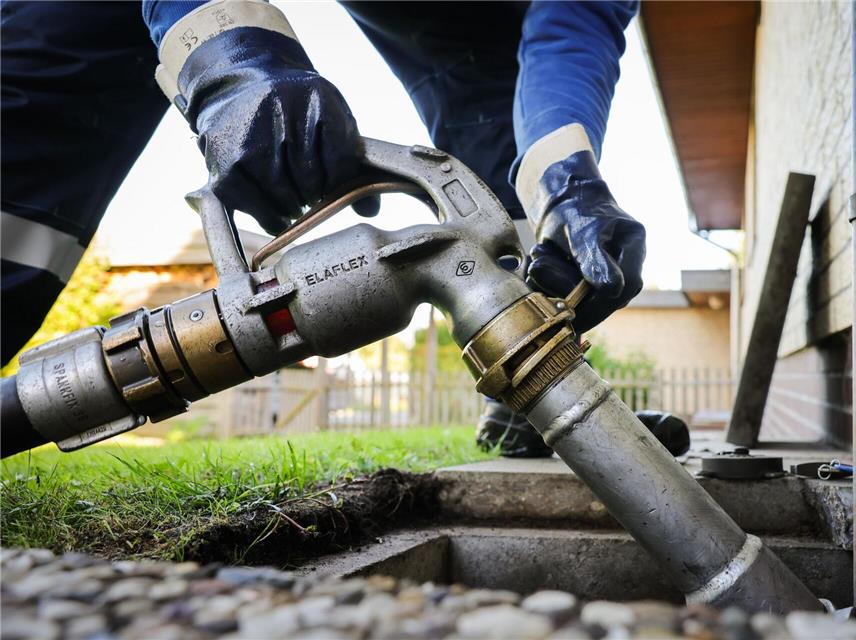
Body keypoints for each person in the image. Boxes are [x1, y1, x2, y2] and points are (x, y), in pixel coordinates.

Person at [1, 0, 688, 457]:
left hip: (459, 25)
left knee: (502, 184)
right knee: (56, 78)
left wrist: (565, 183)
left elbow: (570, 34)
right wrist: (234, 66)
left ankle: (535, 402)